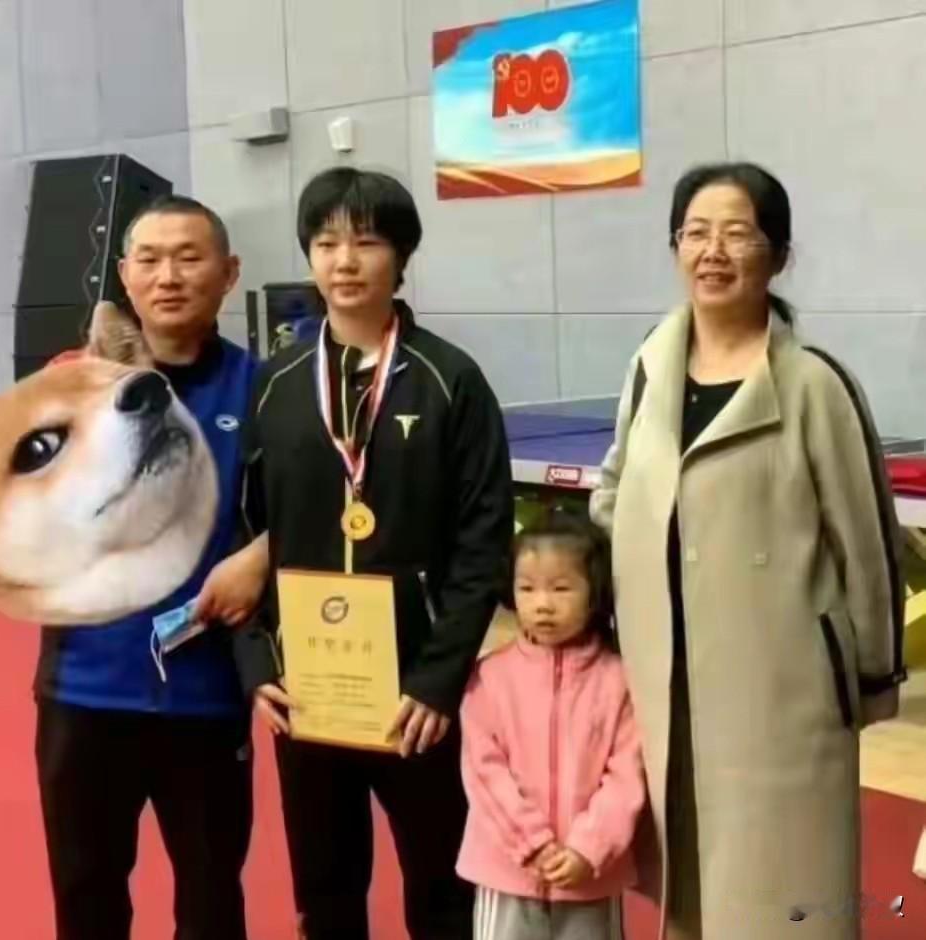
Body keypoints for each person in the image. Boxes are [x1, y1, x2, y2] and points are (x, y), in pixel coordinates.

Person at [590, 162, 907, 940]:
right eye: (695, 233)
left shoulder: (814, 385)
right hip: (667, 680)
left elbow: (867, 544)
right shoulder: (649, 368)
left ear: (779, 254)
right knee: (691, 887)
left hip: (784, 693)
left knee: (783, 890)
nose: (714, 251)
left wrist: (869, 678)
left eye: (738, 233)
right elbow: (614, 486)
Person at [234, 166, 515, 940]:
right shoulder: (275, 384)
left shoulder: (451, 380)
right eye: (326, 243)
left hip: (416, 696)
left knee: (443, 889)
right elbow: (243, 530)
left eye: (366, 242)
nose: (345, 261)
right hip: (309, 689)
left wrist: (438, 680)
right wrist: (258, 662)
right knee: (325, 892)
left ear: (402, 255)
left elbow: (484, 539)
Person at [35, 195, 267, 940]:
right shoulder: (70, 386)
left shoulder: (264, 389)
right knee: (86, 895)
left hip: (207, 696)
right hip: (84, 691)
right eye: (151, 259)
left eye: (190, 258)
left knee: (211, 897)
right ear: (125, 276)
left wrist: (262, 556)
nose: (169, 276)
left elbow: (314, 508)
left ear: (229, 273)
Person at [456, 510, 645, 940]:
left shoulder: (619, 680)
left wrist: (588, 849)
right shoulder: (489, 678)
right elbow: (484, 773)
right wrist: (533, 844)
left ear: (594, 593)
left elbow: (627, 776)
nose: (542, 604)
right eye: (527, 588)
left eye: (561, 588)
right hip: (507, 870)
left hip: (591, 875)